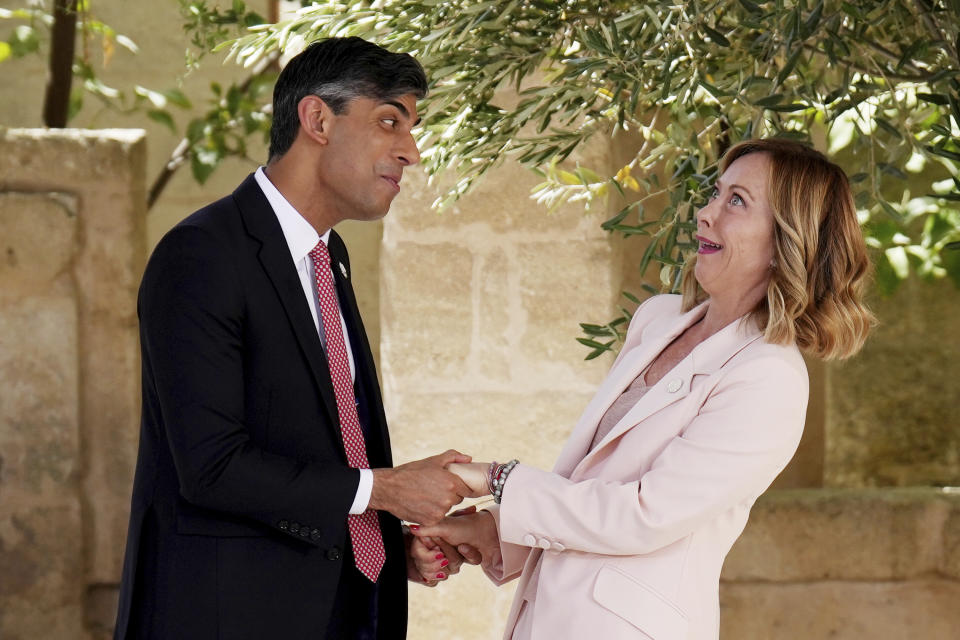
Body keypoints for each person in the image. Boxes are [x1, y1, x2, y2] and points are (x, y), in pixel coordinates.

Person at [412, 138, 875, 639]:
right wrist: (495, 531)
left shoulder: (769, 379)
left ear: (786, 240)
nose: (705, 213)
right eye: (715, 193)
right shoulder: (659, 319)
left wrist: (495, 478)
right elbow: (592, 486)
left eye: (736, 201)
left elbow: (643, 515)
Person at [114, 37, 476, 640]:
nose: (411, 151)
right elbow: (212, 466)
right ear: (317, 120)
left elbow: (320, 444)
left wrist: (386, 535)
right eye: (390, 121)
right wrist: (386, 489)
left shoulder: (326, 256)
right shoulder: (201, 254)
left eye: (413, 128)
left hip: (342, 607)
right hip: (225, 617)